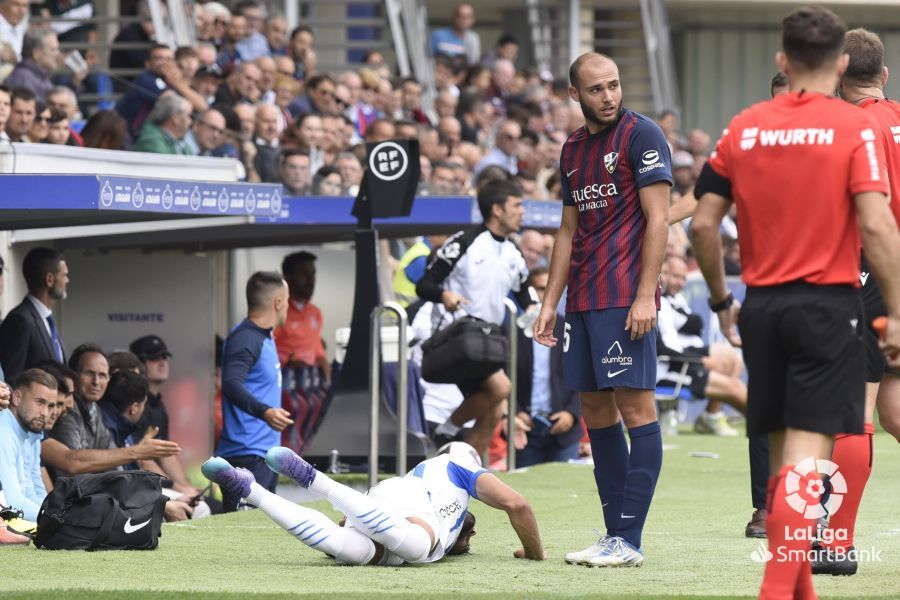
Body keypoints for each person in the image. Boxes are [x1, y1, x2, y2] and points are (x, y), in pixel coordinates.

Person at [689, 8, 900, 599]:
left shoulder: (743, 127)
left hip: (762, 309)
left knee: (786, 464)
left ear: (782, 62)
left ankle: (798, 586)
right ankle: (779, 589)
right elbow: (879, 226)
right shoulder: (851, 127)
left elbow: (704, 226)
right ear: (839, 66)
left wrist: (721, 300)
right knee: (809, 461)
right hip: (831, 306)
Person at [533, 52, 673, 568]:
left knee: (637, 409)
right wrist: (551, 302)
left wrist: (644, 294)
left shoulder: (642, 136)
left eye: (614, 85)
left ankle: (629, 539)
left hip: (623, 295)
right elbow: (568, 231)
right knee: (594, 412)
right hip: (583, 301)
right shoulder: (571, 149)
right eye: (596, 89)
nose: (609, 96)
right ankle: (613, 533)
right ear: (575, 95)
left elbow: (658, 219)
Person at [812, 27, 900, 577]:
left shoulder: (844, 128)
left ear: (838, 75)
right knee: (892, 407)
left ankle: (837, 544)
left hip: (872, 273)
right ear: (884, 75)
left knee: (854, 409)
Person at [202, 442, 545, 564]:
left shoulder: (442, 494)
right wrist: (534, 553)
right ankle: (313, 479)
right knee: (417, 547)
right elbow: (518, 505)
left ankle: (250, 490)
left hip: (381, 501)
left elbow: (343, 525)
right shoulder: (457, 464)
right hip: (405, 507)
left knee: (353, 551)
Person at [416, 179, 534, 455]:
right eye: (517, 205)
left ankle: (464, 473)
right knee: (501, 388)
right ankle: (445, 429)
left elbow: (526, 292)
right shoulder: (463, 242)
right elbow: (425, 285)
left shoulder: (513, 250)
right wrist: (445, 296)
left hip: (489, 342)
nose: (522, 212)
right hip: (456, 339)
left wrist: (534, 310)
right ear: (497, 209)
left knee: (493, 412)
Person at [42, 344, 181, 484]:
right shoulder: (68, 411)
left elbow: (115, 467)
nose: (96, 382)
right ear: (74, 375)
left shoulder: (95, 409)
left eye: (102, 375)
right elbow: (73, 464)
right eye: (89, 373)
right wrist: (137, 451)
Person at [217, 271, 294, 512]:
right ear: (278, 302)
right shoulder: (246, 338)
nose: (288, 306)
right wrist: (265, 412)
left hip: (262, 455)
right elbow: (230, 383)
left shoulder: (262, 337)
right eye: (287, 300)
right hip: (246, 455)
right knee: (242, 534)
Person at [656, 256, 747, 436]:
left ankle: (711, 416)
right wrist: (702, 361)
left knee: (732, 359)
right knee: (736, 389)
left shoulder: (672, 300)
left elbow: (694, 324)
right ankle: (767, 431)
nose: (678, 282)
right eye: (670, 275)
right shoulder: (651, 302)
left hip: (680, 362)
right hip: (669, 369)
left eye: (683, 278)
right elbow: (662, 346)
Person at [515, 268, 581, 467]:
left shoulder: (571, 329)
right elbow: (506, 376)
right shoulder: (513, 330)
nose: (545, 295)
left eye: (551, 289)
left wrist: (571, 413)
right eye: (540, 289)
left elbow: (584, 374)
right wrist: (515, 412)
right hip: (525, 428)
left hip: (564, 430)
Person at [0, 247, 69, 384]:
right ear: (49, 279)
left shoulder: (46, 320)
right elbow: (10, 379)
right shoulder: (20, 320)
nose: (67, 280)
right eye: (64, 275)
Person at [0, 369, 55, 521]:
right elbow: (11, 503)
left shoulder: (33, 434)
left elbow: (34, 491)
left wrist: (56, 514)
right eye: (40, 402)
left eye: (51, 406)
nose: (45, 412)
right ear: (16, 398)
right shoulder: (3, 430)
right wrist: (56, 520)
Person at [273, 252, 329, 382]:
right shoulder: (276, 312)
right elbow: (261, 352)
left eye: (313, 274)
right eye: (304, 274)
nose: (311, 280)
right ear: (287, 277)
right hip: (283, 386)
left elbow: (316, 349)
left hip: (310, 385)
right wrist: (287, 364)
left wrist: (321, 359)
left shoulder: (315, 313)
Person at [4, 29, 60, 103]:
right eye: (53, 49)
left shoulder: (43, 77)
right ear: (36, 53)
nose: (58, 54)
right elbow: (26, 111)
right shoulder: (22, 77)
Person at [392, 235, 448, 308]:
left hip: (407, 309)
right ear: (434, 236)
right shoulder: (423, 257)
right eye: (447, 237)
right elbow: (429, 288)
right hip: (409, 311)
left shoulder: (422, 249)